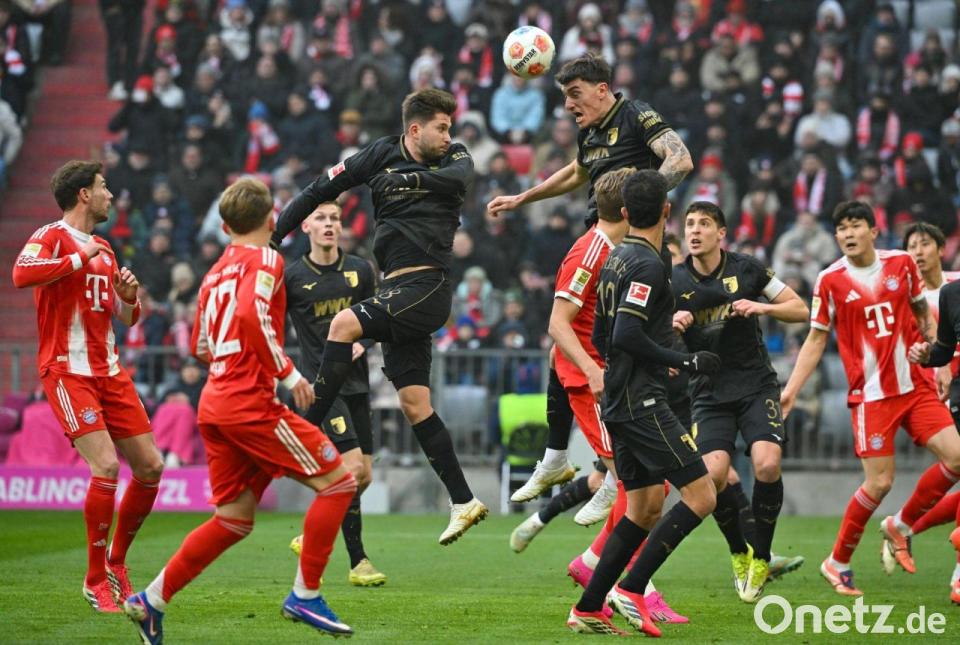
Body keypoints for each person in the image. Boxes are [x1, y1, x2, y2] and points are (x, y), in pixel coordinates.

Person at [123, 179, 357, 642]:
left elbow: (200, 345)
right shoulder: (266, 259)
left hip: (214, 402)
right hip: (249, 403)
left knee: (233, 518)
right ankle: (305, 595)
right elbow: (251, 314)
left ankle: (150, 600)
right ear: (271, 218)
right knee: (339, 483)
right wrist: (287, 373)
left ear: (226, 225)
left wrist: (232, 364)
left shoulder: (213, 274)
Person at [270, 88, 487, 545]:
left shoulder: (456, 156)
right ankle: (464, 500)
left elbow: (458, 179)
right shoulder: (379, 155)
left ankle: (302, 431)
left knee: (342, 324)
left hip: (426, 286)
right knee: (414, 403)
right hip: (396, 289)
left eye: (449, 127)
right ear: (415, 129)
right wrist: (274, 239)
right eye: (441, 128)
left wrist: (411, 182)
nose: (448, 136)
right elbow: (319, 189)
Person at [510, 168, 687, 625]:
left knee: (648, 486)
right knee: (640, 488)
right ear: (627, 210)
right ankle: (633, 587)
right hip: (593, 383)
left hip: (617, 379)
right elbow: (558, 324)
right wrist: (591, 371)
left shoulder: (623, 252)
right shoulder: (591, 251)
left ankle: (594, 564)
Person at [780, 200, 960, 597]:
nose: (848, 233)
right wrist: (790, 390)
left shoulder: (901, 263)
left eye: (855, 225)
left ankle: (901, 524)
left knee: (957, 458)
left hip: (915, 386)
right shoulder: (830, 280)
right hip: (873, 396)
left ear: (873, 231)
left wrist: (940, 359)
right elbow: (815, 339)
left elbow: (923, 316)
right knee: (879, 483)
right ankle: (837, 561)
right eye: (841, 227)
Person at [568, 170, 719, 636]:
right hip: (642, 402)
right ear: (667, 211)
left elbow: (601, 335)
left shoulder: (615, 258)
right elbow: (626, 334)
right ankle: (632, 589)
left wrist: (635, 364)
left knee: (646, 506)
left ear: (625, 212)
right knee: (702, 495)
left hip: (620, 399)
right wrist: (684, 360)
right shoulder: (650, 265)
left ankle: (588, 607)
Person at [11, 160, 164, 612]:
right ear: (83, 194)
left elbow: (125, 317)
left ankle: (116, 562)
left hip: (109, 371)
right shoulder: (50, 236)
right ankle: (95, 579)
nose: (110, 195)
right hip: (67, 370)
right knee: (107, 467)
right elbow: (21, 274)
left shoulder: (106, 249)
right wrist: (80, 257)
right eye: (103, 187)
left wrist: (130, 299)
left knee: (151, 467)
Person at [671, 201, 808, 602]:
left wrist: (762, 306)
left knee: (766, 463)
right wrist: (672, 325)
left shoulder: (746, 269)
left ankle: (762, 557)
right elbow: (651, 331)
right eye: (690, 224)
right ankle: (738, 552)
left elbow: (801, 309)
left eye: (704, 224)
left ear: (721, 233)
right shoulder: (674, 281)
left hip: (755, 385)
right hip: (709, 392)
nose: (695, 231)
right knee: (714, 477)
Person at [284, 200, 386, 587]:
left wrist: (364, 340)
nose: (329, 225)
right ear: (306, 227)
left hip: (357, 383)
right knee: (353, 469)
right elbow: (272, 325)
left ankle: (311, 533)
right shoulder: (293, 277)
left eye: (334, 219)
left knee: (364, 477)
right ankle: (359, 562)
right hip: (323, 386)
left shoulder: (360, 270)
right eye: (321, 219)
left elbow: (379, 320)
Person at [486, 54, 693, 228]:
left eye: (575, 94)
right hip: (598, 227)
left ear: (601, 90)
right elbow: (575, 174)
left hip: (630, 230)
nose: (568, 105)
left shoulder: (635, 114)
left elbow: (681, 160)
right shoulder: (587, 133)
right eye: (566, 96)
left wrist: (642, 202)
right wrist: (521, 198)